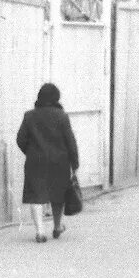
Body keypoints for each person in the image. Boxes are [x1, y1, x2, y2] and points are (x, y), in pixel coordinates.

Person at [16, 83, 80, 243]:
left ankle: (40, 231)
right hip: (59, 162)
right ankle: (57, 227)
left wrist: (30, 152)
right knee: (57, 195)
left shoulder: (29, 116)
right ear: (56, 98)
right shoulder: (62, 116)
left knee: (36, 195)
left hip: (35, 162)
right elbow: (70, 141)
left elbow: (20, 139)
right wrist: (75, 163)